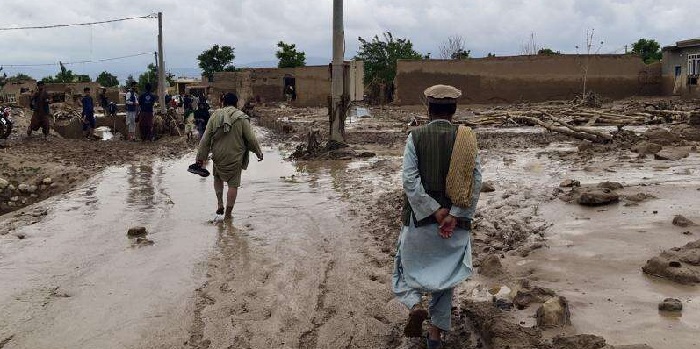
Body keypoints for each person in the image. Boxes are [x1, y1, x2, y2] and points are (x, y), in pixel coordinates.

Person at [392, 85, 482, 349]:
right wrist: (454, 215)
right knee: (446, 279)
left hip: (420, 222)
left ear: (428, 109)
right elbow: (475, 181)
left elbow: (410, 180)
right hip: (454, 227)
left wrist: (433, 209)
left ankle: (414, 304)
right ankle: (434, 337)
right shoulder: (466, 137)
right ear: (454, 110)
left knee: (401, 268)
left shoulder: (415, 136)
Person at [196, 92, 263, 221]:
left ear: (223, 103)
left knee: (217, 177)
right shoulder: (242, 118)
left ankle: (220, 203)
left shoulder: (215, 116)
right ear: (236, 104)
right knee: (233, 185)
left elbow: (205, 139)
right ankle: (228, 214)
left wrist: (201, 158)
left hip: (218, 155)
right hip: (235, 156)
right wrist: (258, 152)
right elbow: (250, 138)